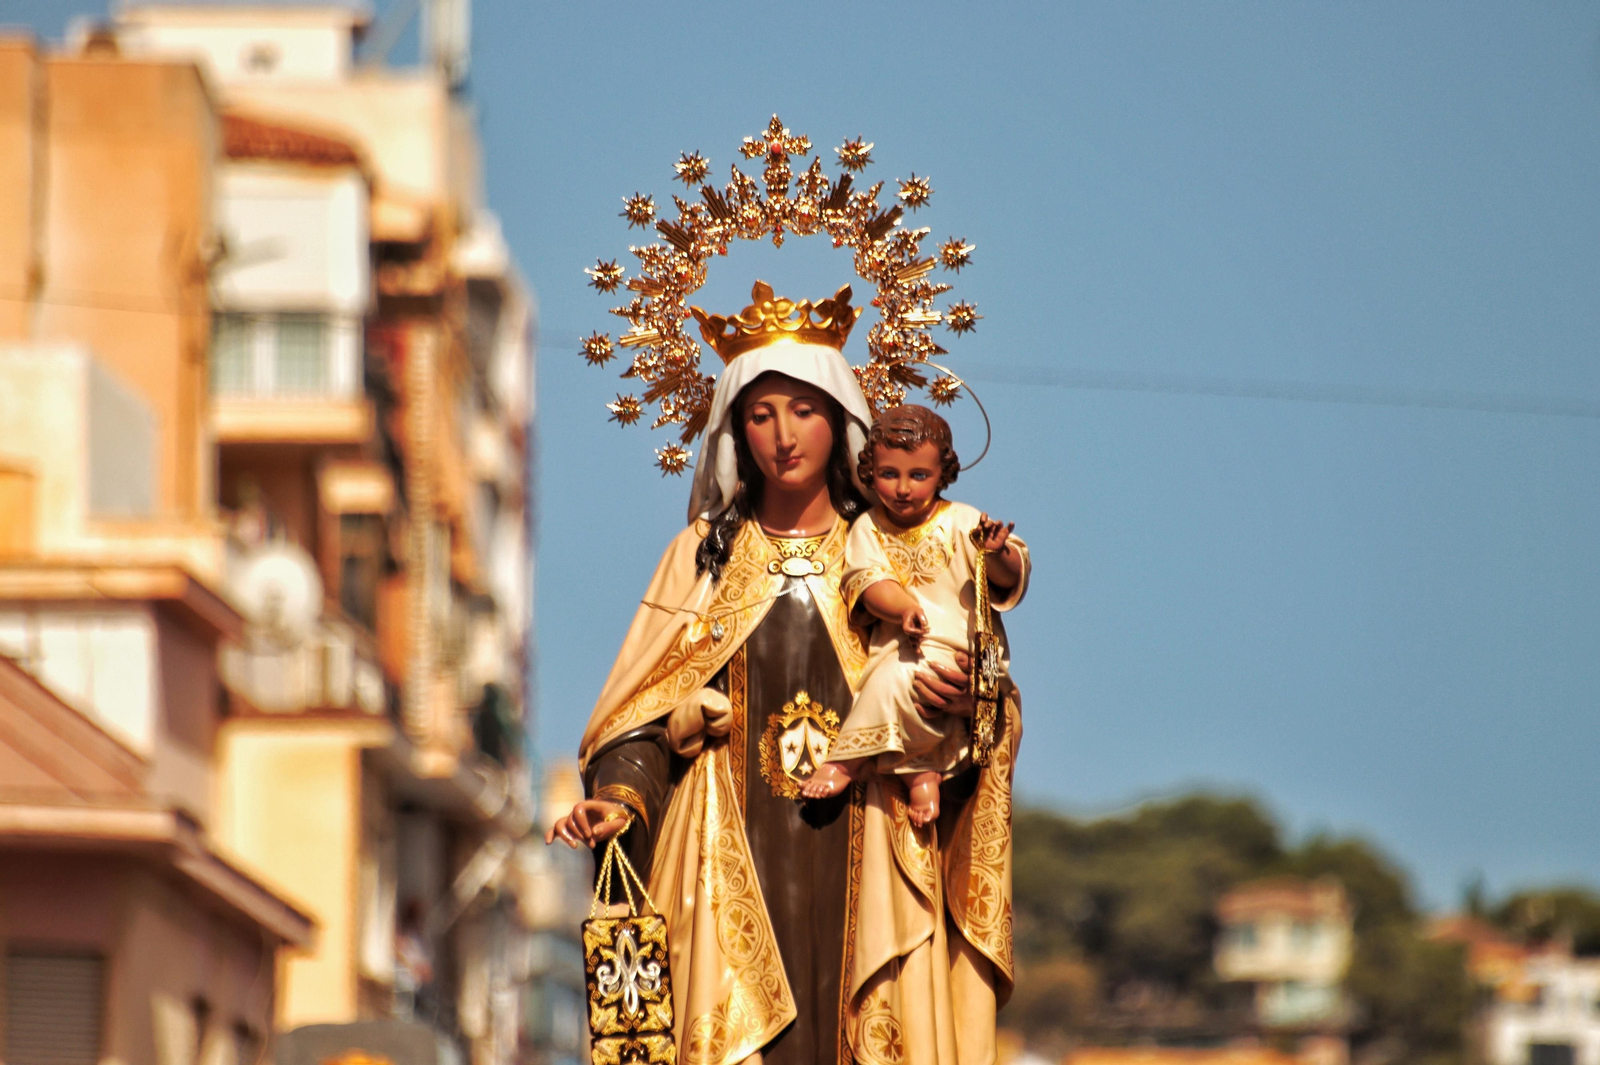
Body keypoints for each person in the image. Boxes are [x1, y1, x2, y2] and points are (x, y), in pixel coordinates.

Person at [547, 281, 1020, 1065]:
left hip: (875, 840)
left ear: (841, 421)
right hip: (725, 848)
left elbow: (985, 686)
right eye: (761, 415)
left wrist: (967, 705)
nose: (784, 436)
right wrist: (622, 797)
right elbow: (636, 714)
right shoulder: (701, 556)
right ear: (735, 429)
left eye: (803, 410)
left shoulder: (895, 551)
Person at [802, 405, 1028, 828]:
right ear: (870, 473)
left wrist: (996, 553)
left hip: (960, 650)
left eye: (918, 475)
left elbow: (1006, 578)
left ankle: (845, 761)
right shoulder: (869, 527)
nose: (903, 489)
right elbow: (869, 581)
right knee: (899, 678)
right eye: (889, 474)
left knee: (897, 681)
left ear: (942, 473)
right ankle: (922, 776)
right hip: (905, 644)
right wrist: (904, 608)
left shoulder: (961, 520)